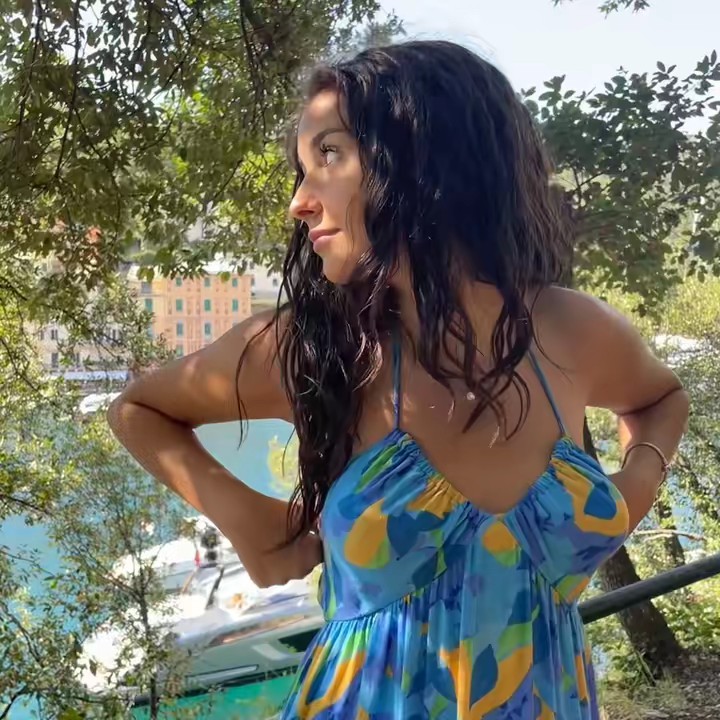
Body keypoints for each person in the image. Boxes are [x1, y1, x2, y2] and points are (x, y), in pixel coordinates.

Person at [108, 40, 688, 720]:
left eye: (329, 155)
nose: (300, 202)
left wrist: (637, 480)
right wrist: (246, 518)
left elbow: (662, 399)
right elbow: (138, 410)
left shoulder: (572, 330)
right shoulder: (308, 348)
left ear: (428, 155)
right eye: (302, 168)